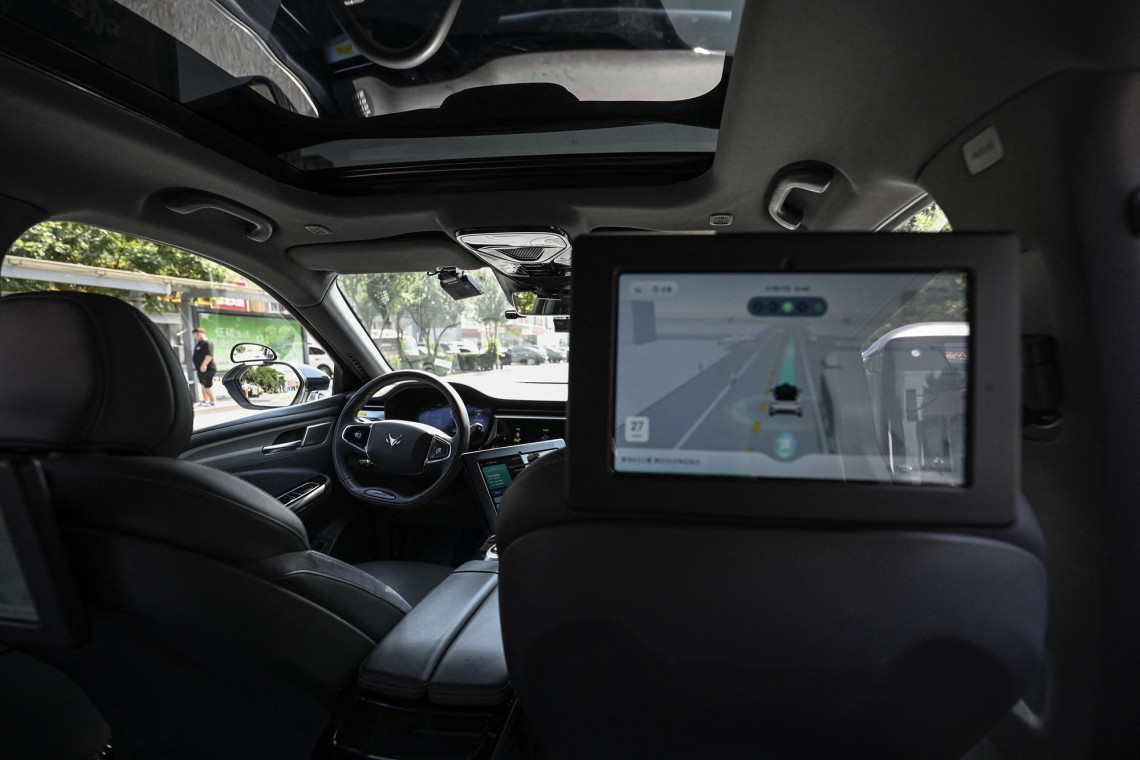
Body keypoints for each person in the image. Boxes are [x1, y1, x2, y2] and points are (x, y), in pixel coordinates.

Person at [191, 326, 217, 407]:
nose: (196, 335)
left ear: (203, 333)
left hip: (207, 368)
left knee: (207, 385)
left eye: (197, 333)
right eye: (195, 334)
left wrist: (204, 365)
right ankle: (206, 401)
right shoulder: (199, 344)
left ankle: (213, 401)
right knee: (202, 384)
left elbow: (209, 355)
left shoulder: (207, 343)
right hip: (200, 369)